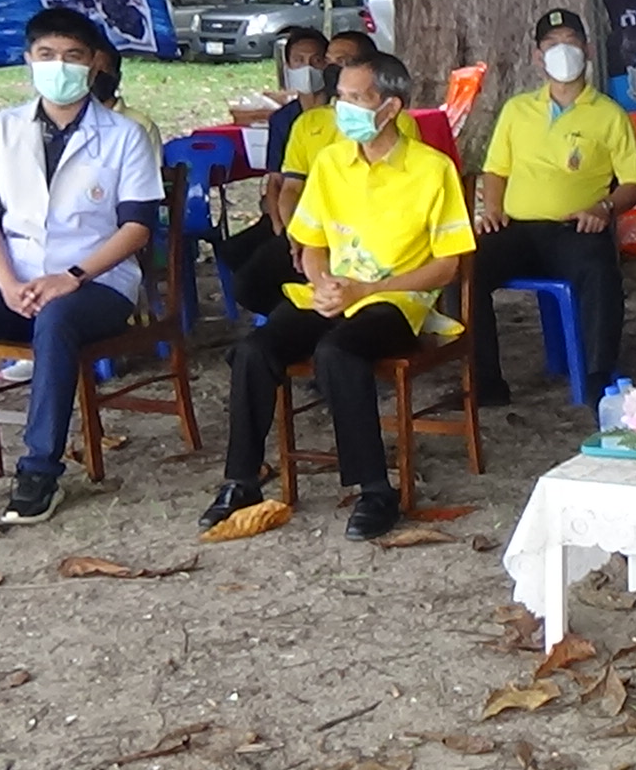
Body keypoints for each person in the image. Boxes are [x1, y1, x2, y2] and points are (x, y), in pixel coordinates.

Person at [196, 54, 474, 541]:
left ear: (390, 107)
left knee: (337, 352)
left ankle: (375, 491)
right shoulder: (330, 162)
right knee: (255, 350)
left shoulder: (432, 169)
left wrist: (369, 289)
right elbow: (311, 242)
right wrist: (322, 281)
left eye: (355, 98)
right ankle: (241, 480)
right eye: (341, 96)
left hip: (397, 300)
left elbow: (449, 263)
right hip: (331, 294)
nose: (342, 108)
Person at [0, 8, 163, 523]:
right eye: (46, 55)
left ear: (94, 64)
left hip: (97, 281)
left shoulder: (123, 135)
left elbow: (137, 227)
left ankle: (39, 471)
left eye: (72, 56)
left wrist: (72, 277)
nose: (58, 66)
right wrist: (7, 281)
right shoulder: (0, 129)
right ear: (28, 60)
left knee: (57, 320)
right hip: (14, 274)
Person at [469, 9, 636, 407]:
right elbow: (496, 169)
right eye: (551, 45)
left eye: (570, 42)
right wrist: (493, 208)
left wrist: (604, 207)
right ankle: (483, 381)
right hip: (516, 229)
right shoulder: (517, 110)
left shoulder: (609, 114)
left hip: (575, 230)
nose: (561, 51)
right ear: (538, 56)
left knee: (600, 273)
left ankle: (597, 377)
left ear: (587, 50)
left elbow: (635, 182)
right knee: (465, 270)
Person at [234, 30, 415, 320]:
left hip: (366, 237)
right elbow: (291, 188)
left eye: (342, 61)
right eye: (328, 61)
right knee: (249, 283)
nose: (332, 69)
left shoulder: (393, 122)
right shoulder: (307, 122)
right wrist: (296, 234)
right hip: (314, 231)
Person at [218, 27, 327, 314]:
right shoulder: (283, 119)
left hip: (320, 217)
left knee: (255, 276)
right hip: (287, 211)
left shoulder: (338, 116)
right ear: (287, 66)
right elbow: (277, 180)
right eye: (298, 61)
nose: (307, 69)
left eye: (316, 61)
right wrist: (281, 227)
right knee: (233, 251)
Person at [88, 38, 161, 151]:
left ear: (117, 77)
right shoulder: (69, 119)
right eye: (91, 71)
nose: (97, 77)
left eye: (103, 71)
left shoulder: (141, 125)